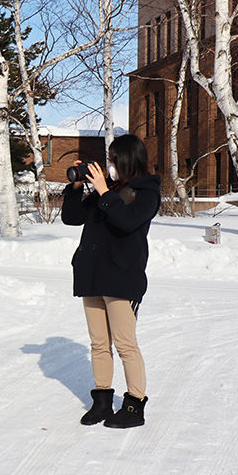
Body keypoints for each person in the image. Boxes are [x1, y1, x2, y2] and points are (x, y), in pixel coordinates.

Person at [61, 134, 161, 428]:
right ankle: (102, 401)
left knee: (125, 344)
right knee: (98, 343)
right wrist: (77, 187)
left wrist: (105, 192)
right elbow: (72, 217)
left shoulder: (147, 192)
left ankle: (134, 405)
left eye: (114, 160)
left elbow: (128, 220)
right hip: (93, 276)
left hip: (121, 278)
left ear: (129, 160)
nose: (110, 166)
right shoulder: (110, 189)